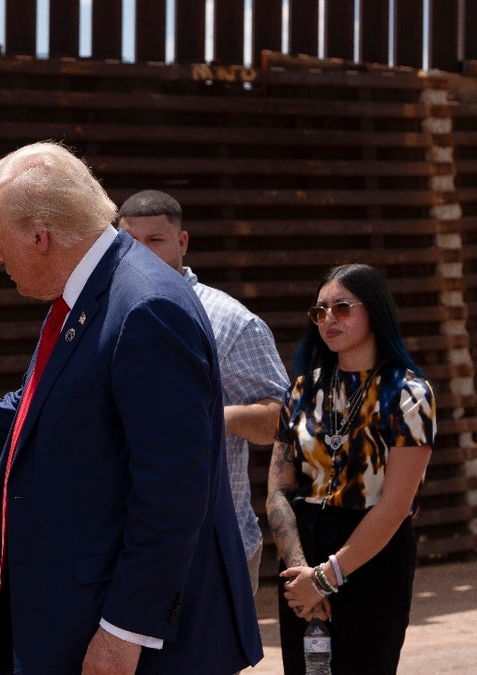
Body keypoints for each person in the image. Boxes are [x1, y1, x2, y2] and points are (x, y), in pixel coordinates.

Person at [0, 141, 262, 674]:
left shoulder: (144, 307)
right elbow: (33, 409)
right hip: (78, 612)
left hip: (130, 639)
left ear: (39, 236)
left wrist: (125, 632)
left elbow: (173, 491)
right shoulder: (97, 290)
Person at [266, 263, 435, 675]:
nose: (327, 319)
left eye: (341, 307)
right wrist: (299, 576)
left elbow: (396, 505)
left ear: (374, 311)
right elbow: (277, 491)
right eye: (320, 311)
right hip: (301, 556)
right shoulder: (303, 390)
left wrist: (324, 579)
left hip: (372, 553)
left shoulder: (409, 393)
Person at [118, 189, 290, 594]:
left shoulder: (230, 322)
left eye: (155, 241)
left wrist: (213, 419)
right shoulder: (99, 314)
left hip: (210, 545)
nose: (139, 253)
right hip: (120, 542)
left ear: (182, 243)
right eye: (128, 242)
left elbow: (281, 418)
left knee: (211, 661)